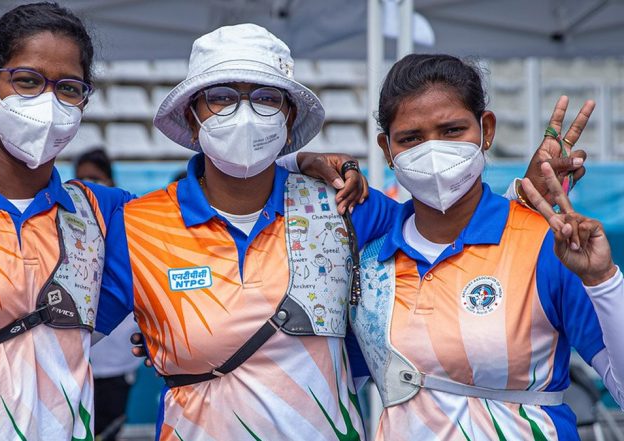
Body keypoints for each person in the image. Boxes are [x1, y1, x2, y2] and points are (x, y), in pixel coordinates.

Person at [0, 5, 363, 439]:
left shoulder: (104, 214)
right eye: (27, 81)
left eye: (69, 88)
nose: (48, 100)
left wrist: (296, 163)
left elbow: (216, 194)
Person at [97, 25, 586, 440]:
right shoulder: (137, 223)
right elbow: (58, 337)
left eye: (266, 98)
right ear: (191, 113)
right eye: (222, 97)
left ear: (289, 117)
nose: (244, 115)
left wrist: (527, 198)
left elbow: (451, 229)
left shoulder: (342, 204)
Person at [348, 54, 624, 440]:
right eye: (411, 138)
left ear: (486, 129)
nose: (433, 150)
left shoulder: (549, 244)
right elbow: (330, 386)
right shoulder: (370, 257)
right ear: (386, 149)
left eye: (451, 130)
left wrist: (604, 280)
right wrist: (302, 159)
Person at [74, 147, 140, 440]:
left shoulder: (128, 226)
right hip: (75, 360)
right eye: (83, 179)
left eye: (97, 178)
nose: (90, 184)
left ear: (111, 182)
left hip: (116, 361)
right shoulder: (68, 229)